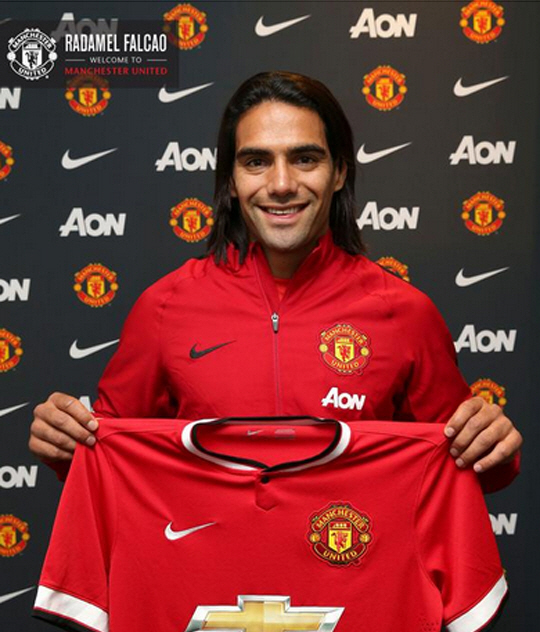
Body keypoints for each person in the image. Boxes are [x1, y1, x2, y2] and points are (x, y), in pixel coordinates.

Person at [29, 71, 522, 490]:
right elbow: (104, 461)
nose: (281, 184)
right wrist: (63, 441)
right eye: (256, 161)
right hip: (207, 572)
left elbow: (468, 467)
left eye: (305, 158)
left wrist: (494, 446)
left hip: (353, 568)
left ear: (339, 172)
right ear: (231, 180)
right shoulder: (165, 306)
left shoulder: (405, 313)